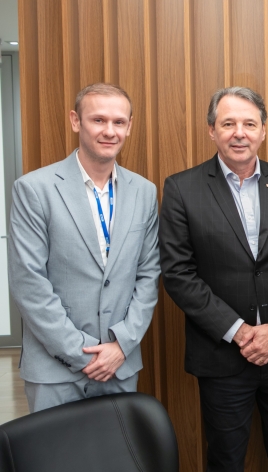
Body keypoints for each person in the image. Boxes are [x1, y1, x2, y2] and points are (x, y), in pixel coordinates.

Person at [159, 87, 268, 472]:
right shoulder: (182, 189)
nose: (239, 133)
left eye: (249, 123)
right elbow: (178, 272)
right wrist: (239, 331)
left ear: (263, 130)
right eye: (228, 123)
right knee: (225, 469)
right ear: (211, 130)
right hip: (221, 356)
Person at [9, 83, 160, 413]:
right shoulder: (34, 189)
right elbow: (29, 283)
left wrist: (120, 345)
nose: (109, 131)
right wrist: (82, 352)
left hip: (120, 366)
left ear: (129, 126)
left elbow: (148, 276)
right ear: (76, 121)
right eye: (98, 120)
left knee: (115, 464)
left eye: (119, 122)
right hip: (55, 369)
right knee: (55, 464)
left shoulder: (144, 192)